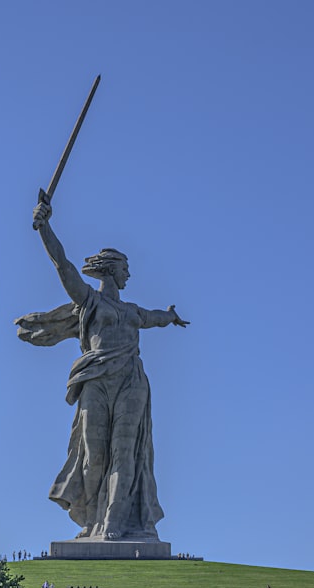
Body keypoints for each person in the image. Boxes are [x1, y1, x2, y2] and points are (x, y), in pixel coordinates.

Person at [19, 195, 188, 542]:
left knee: (125, 452)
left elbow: (155, 319)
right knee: (94, 458)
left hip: (130, 380)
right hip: (96, 380)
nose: (129, 274)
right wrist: (45, 227)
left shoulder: (133, 312)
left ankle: (114, 523)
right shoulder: (89, 301)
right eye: (125, 268)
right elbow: (63, 266)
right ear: (112, 269)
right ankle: (92, 520)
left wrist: (170, 317)